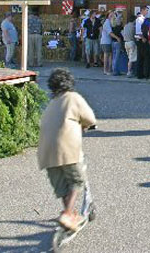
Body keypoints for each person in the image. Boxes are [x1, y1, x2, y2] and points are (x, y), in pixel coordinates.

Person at [37, 68, 96, 232]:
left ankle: (69, 216)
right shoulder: (73, 97)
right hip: (66, 149)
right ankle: (68, 214)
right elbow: (89, 118)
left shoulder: (51, 103)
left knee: (62, 187)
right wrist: (87, 125)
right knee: (77, 181)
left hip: (45, 153)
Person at [135, 7, 150, 79]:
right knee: (143, 58)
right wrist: (143, 38)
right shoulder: (139, 19)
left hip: (144, 39)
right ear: (142, 10)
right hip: (141, 40)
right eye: (146, 10)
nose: (147, 12)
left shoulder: (144, 19)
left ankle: (142, 74)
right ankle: (143, 74)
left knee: (143, 58)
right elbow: (138, 31)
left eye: (148, 10)